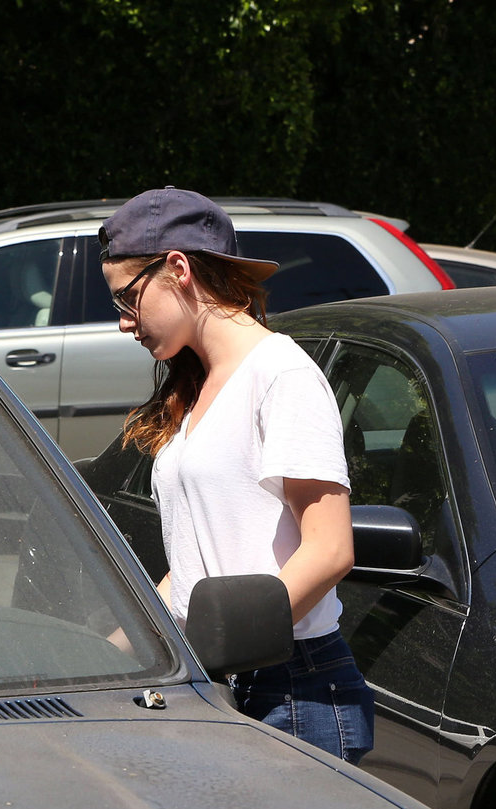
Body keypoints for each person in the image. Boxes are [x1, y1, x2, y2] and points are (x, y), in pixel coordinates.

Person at [98, 187, 376, 765]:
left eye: (128, 298)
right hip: (222, 679)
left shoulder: (281, 375)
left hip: (293, 690)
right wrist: (105, 656)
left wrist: (224, 651)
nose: (124, 323)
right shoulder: (198, 387)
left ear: (178, 270)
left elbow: (330, 550)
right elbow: (196, 570)